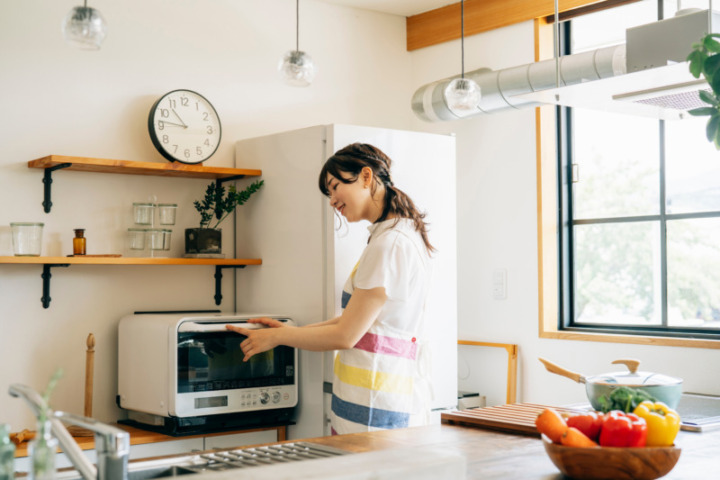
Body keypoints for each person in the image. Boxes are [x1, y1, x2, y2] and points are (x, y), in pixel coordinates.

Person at [226, 143, 435, 435]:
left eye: (335, 187)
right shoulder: (395, 236)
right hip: (376, 400)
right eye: (329, 192)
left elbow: (346, 335)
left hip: (376, 407)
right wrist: (284, 334)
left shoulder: (390, 244)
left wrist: (278, 336)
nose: (332, 200)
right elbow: (358, 321)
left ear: (366, 176)